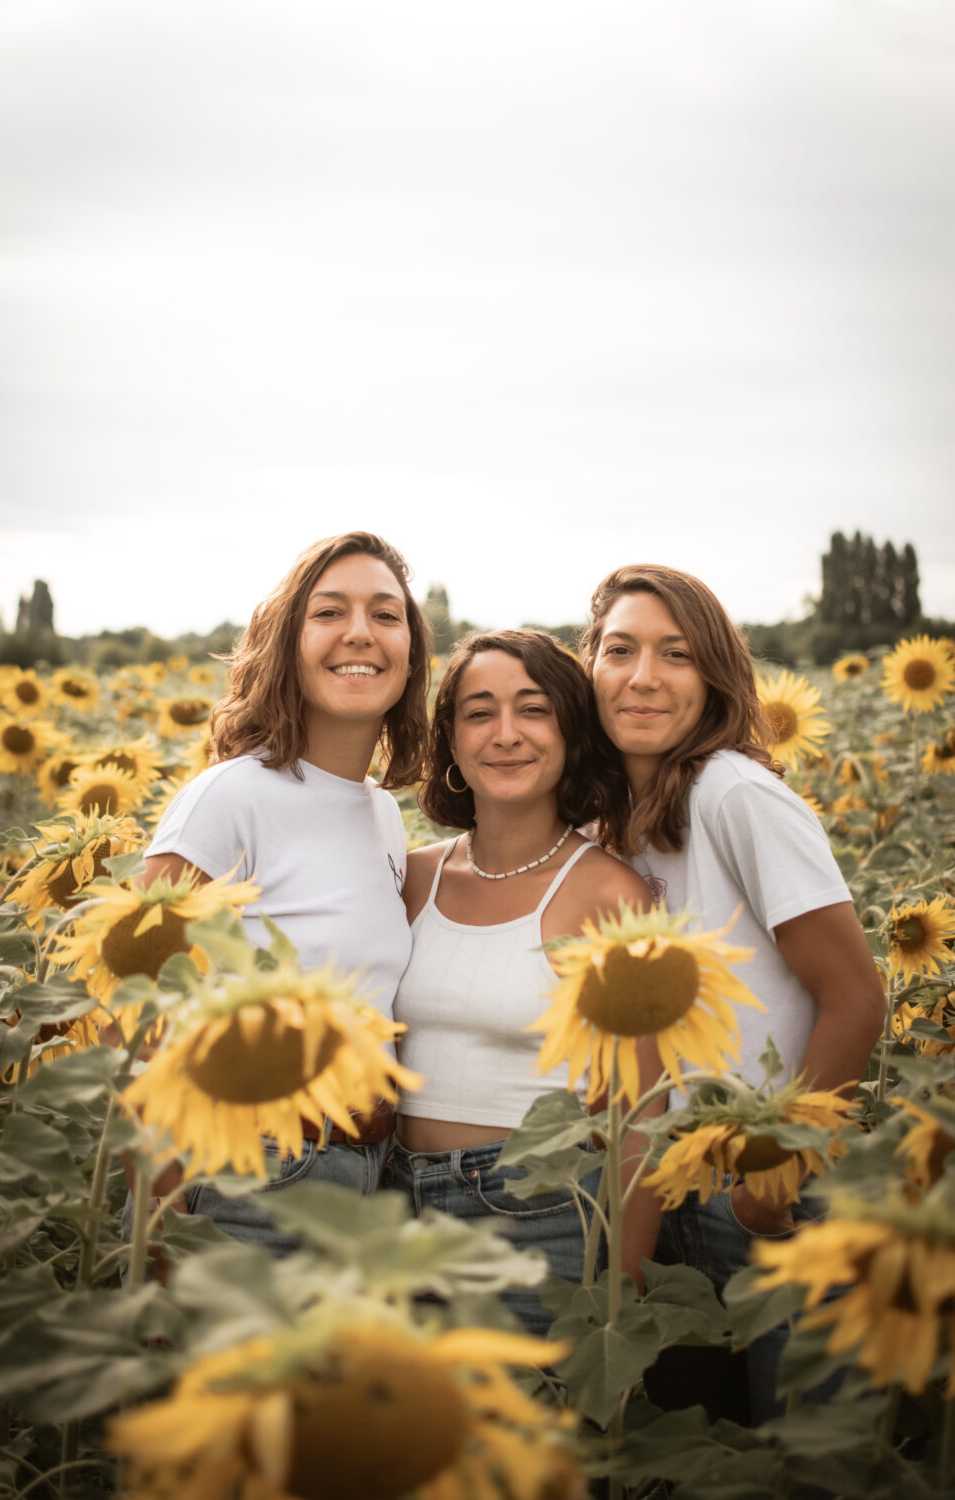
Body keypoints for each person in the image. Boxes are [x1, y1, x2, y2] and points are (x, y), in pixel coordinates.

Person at [583, 563, 884, 1422]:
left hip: (767, 1187)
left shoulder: (736, 793)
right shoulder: (609, 818)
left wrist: (779, 1167)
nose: (644, 676)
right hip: (661, 1183)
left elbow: (857, 997)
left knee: (803, 1451)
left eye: (675, 653)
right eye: (620, 649)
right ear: (590, 669)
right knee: (710, 1456)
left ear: (714, 676)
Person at [132, 531, 432, 1253]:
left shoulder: (382, 816)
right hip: (244, 1181)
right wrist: (164, 1239)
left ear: (412, 654)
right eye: (330, 612)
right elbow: (134, 1020)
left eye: (386, 615)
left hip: (362, 1180)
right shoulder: (230, 798)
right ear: (286, 642)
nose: (360, 632)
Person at [384, 630, 657, 1336]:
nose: (506, 734)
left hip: (533, 1216)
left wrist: (619, 1291)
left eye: (532, 710)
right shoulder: (411, 877)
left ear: (570, 730)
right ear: (450, 739)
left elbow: (640, 1113)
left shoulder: (609, 894)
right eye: (479, 712)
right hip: (387, 1208)